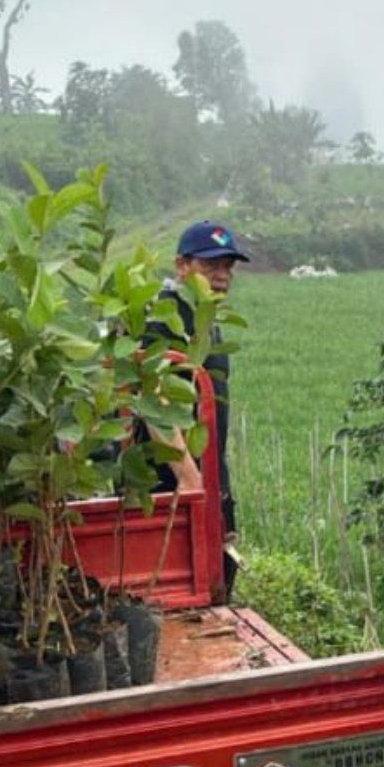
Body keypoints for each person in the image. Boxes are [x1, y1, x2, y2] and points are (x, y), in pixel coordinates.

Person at [144, 220, 250, 601]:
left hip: (208, 489)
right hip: (170, 493)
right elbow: (155, 404)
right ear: (181, 266)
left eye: (228, 267)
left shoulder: (204, 321)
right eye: (211, 267)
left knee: (218, 585)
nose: (222, 277)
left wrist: (218, 499)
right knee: (184, 604)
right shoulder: (165, 317)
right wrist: (192, 487)